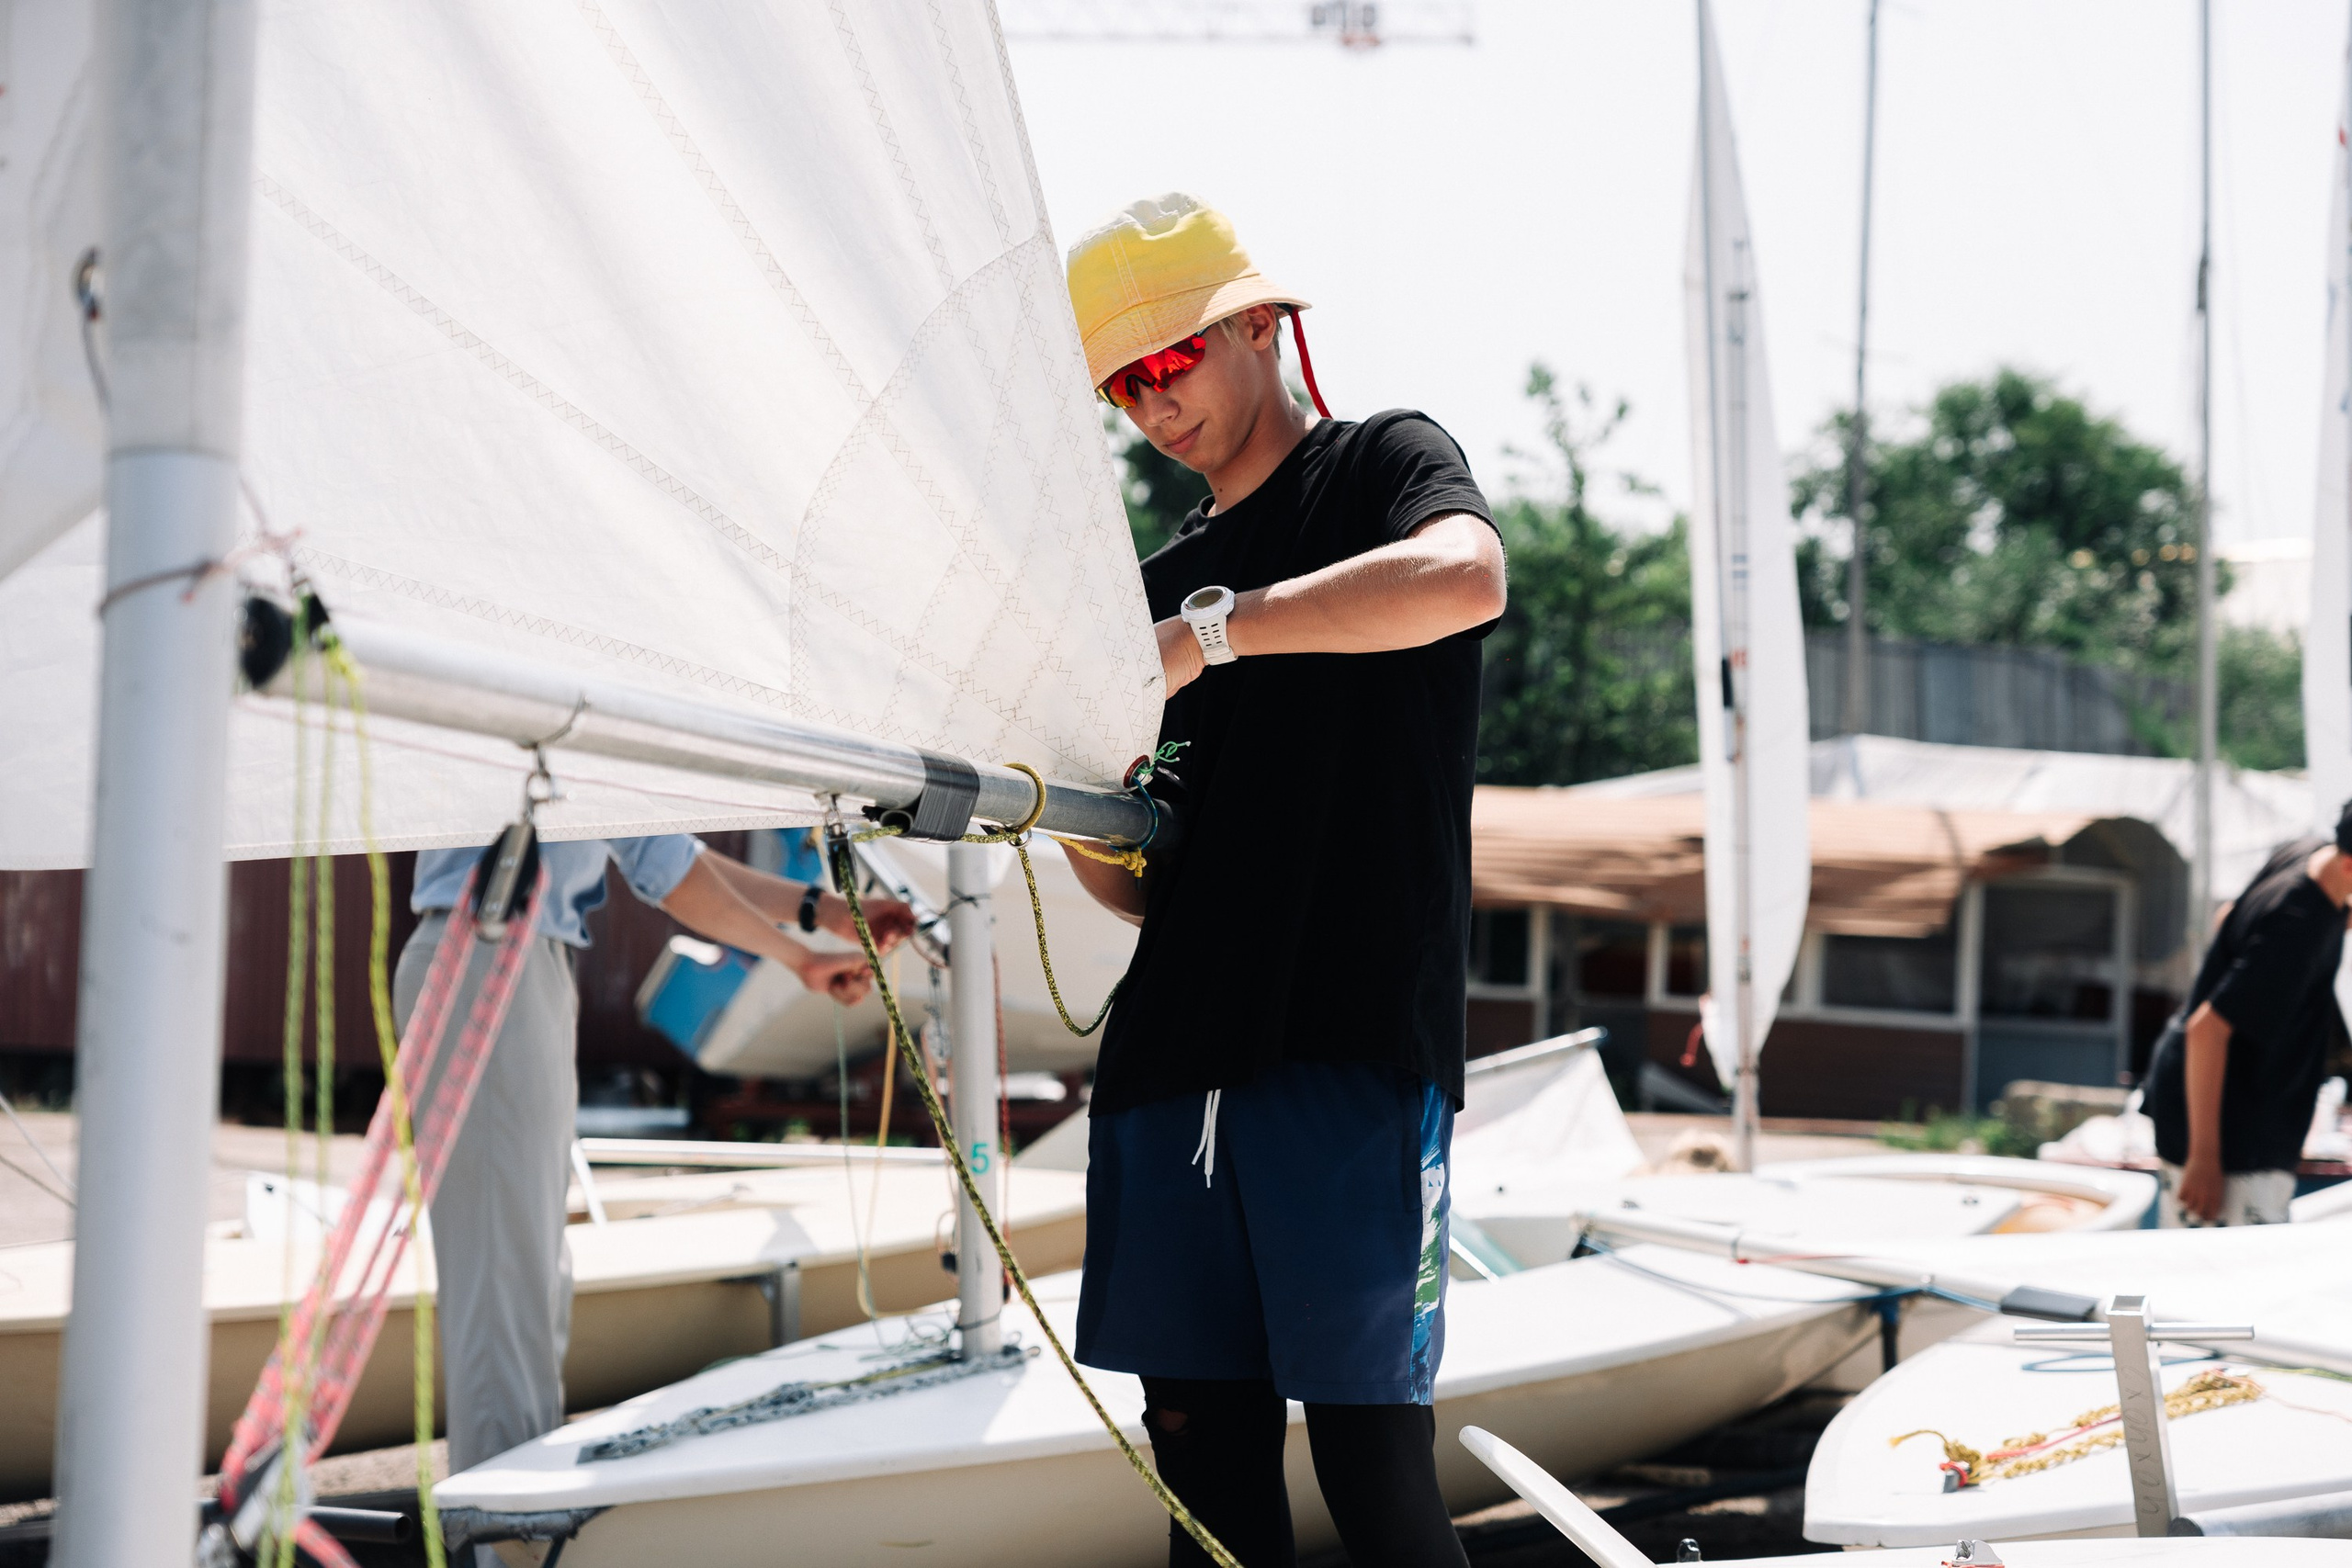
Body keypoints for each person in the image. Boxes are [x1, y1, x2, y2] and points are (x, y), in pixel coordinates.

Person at [1060, 193, 1507, 1568]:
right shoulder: (1151, 583)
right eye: (1124, 382)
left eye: (1171, 360)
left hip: (1350, 1038)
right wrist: (1067, 799)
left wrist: (1213, 635)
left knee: (1374, 1465)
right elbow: (1147, 885)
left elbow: (1468, 576)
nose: (1152, 400)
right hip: (1169, 1056)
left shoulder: (1383, 464)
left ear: (1259, 325)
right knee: (1202, 1472)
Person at [392, 832, 913, 1530]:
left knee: (529, 1295)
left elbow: (666, 850)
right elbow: (666, 871)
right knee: (507, 1305)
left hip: (510, 958)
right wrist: (802, 951)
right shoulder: (563, 728)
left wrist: (819, 915)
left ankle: (506, 1539)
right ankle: (498, 1543)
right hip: (489, 957)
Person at [2143, 805, 2352, 1226]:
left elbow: (2229, 916)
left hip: (2206, 1097)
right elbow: (2207, 1030)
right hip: (2226, 1133)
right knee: (2229, 1282)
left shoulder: (2308, 854)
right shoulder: (2299, 928)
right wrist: (2205, 1159)